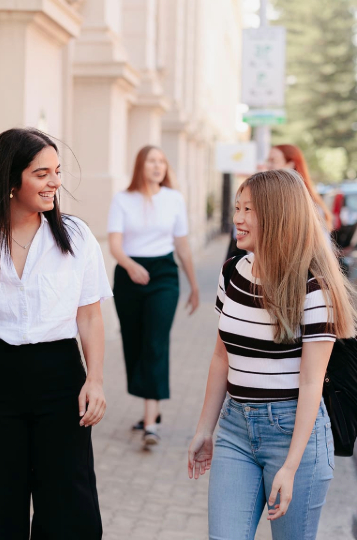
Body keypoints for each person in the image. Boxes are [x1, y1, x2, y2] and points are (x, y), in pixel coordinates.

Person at [0, 128, 111, 540]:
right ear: (10, 179)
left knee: (69, 508)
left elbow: (89, 317)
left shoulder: (75, 237)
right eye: (42, 173)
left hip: (60, 379)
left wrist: (95, 379)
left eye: (56, 172)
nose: (55, 182)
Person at [188, 169, 356, 540]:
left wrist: (291, 466)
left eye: (249, 209)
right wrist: (205, 429)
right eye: (237, 208)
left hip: (294, 433)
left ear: (278, 215)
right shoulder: (232, 272)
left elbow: (312, 382)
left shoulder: (315, 289)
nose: (237, 219)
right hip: (234, 429)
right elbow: (221, 356)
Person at [107, 145, 199, 446]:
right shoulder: (123, 199)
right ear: (140, 166)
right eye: (151, 161)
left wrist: (194, 285)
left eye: (162, 161)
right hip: (129, 273)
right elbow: (115, 244)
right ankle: (151, 407)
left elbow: (182, 246)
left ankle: (150, 423)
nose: (158, 166)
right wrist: (131, 266)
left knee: (155, 342)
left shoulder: (174, 199)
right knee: (134, 341)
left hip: (163, 275)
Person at [266, 143, 332, 231]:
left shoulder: (305, 203)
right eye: (268, 161)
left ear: (290, 164)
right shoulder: (273, 196)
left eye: (273, 161)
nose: (268, 166)